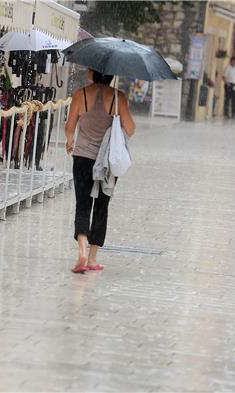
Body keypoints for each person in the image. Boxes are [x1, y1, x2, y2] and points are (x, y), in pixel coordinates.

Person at [65, 69, 136, 274]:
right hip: (107, 163)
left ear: (91, 73)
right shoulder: (118, 97)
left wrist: (70, 142)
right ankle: (93, 257)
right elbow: (130, 128)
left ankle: (81, 250)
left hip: (82, 158)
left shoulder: (80, 94)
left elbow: (70, 126)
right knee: (101, 206)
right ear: (112, 75)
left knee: (83, 204)